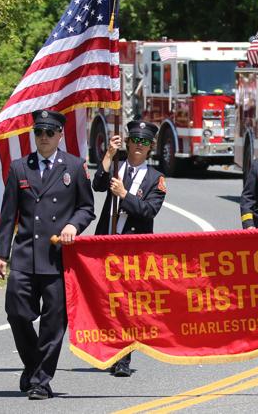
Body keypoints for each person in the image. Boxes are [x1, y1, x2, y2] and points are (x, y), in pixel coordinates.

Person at [0, 110, 95, 400]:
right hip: (25, 255)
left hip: (56, 257)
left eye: (50, 132)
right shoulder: (19, 168)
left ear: (60, 134)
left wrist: (73, 225)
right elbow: (8, 215)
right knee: (16, 313)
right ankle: (34, 366)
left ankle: (40, 380)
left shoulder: (74, 167)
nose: (44, 137)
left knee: (53, 322)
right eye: (39, 132)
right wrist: (2, 253)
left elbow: (86, 207)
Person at [92, 120, 166, 377]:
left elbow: (149, 211)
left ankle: (123, 358)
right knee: (107, 302)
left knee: (128, 305)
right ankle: (110, 349)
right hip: (108, 243)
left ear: (150, 147)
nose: (138, 145)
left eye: (144, 142)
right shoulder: (117, 166)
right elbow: (98, 185)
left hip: (134, 249)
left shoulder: (156, 178)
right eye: (134, 139)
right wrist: (109, 154)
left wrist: (125, 194)